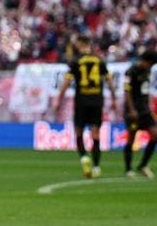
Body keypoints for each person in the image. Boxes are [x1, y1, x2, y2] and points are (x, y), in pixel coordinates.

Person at [53, 34, 116, 178]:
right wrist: (113, 99)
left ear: (81, 43)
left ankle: (84, 158)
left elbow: (65, 83)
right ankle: (97, 167)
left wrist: (58, 100)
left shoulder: (76, 61)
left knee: (79, 132)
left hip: (81, 100)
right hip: (96, 100)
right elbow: (110, 81)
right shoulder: (99, 60)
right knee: (95, 133)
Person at [122, 49, 157, 178]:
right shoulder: (130, 71)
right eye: (150, 64)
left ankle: (143, 165)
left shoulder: (147, 71)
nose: (150, 66)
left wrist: (149, 107)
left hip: (145, 110)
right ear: (146, 61)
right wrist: (131, 110)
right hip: (133, 111)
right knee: (131, 137)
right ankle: (128, 168)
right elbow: (127, 91)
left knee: (155, 135)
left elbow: (146, 91)